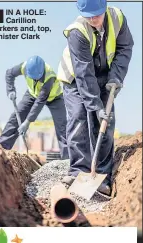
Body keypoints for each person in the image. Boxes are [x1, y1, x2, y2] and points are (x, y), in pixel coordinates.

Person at [57, 0, 134, 195]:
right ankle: (78, 171)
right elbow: (84, 73)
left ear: (105, 7)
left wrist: (116, 76)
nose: (93, 19)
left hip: (105, 76)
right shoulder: (76, 31)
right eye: (88, 15)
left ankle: (102, 175)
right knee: (78, 119)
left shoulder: (117, 18)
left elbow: (125, 48)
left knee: (105, 123)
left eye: (96, 14)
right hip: (75, 79)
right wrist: (95, 106)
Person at [0, 55, 69, 160]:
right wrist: (11, 90)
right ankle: (1, 148)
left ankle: (66, 160)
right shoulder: (25, 66)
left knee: (62, 127)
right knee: (15, 117)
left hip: (55, 98)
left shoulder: (50, 76)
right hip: (32, 94)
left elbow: (40, 102)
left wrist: (27, 123)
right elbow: (9, 73)